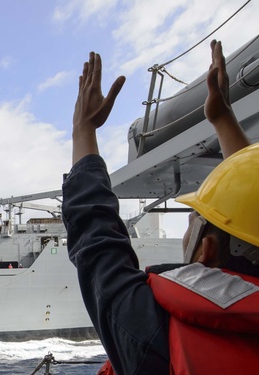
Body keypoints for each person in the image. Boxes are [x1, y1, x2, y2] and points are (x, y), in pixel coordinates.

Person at [62, 40, 259, 375]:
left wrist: (83, 131)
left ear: (205, 250)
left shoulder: (152, 334)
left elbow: (97, 239)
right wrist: (225, 120)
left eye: (195, 219)